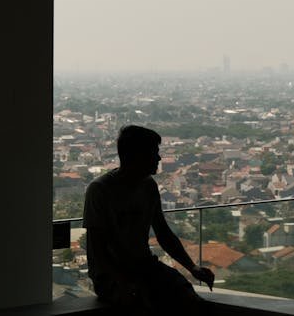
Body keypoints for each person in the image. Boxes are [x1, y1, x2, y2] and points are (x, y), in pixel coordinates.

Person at [83, 125, 215, 315]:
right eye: (154, 152)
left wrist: (192, 267)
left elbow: (163, 232)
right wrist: (124, 283)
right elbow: (98, 250)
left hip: (144, 267)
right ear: (136, 155)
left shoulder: (148, 186)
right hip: (110, 276)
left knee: (188, 297)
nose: (159, 158)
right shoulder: (100, 190)